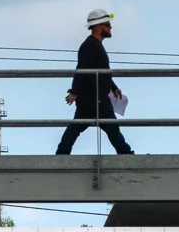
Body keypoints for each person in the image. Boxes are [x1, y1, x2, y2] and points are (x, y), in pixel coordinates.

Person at [55, 8, 133, 155]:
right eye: (107, 25)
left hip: (94, 98)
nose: (111, 27)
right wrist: (74, 92)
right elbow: (81, 69)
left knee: (80, 127)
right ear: (98, 26)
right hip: (95, 99)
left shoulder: (94, 45)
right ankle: (126, 155)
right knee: (110, 128)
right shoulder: (90, 46)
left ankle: (61, 154)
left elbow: (102, 72)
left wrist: (114, 87)